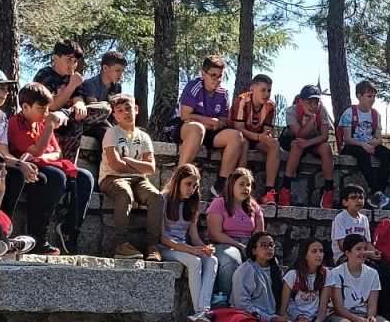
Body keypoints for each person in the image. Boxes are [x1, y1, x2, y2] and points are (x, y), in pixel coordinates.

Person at [8, 82, 91, 254]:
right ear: (25, 107)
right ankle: (38, 236)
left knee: (85, 177)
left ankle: (70, 230)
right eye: (41, 109)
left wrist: (43, 156)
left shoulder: (41, 123)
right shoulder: (16, 123)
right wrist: (50, 126)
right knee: (55, 177)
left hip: (44, 164)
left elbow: (57, 153)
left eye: (47, 108)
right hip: (25, 170)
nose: (46, 113)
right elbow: (35, 151)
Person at [0, 69, 51, 233]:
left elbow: (3, 151)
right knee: (16, 175)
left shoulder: (1, 116)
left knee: (38, 178)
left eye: (7, 89)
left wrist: (20, 164)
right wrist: (19, 165)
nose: (6, 92)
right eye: (1, 88)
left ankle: (30, 233)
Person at [100, 93, 163, 259]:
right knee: (124, 192)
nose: (125, 113)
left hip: (139, 180)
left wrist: (128, 160)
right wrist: (138, 166)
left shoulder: (144, 137)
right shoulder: (112, 133)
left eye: (128, 108)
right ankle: (121, 245)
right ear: (115, 116)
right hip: (112, 178)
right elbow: (115, 165)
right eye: (120, 110)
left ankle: (152, 246)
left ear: (136, 109)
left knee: (156, 197)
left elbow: (151, 168)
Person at [157, 161, 217, 322]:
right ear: (177, 182)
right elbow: (162, 238)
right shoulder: (163, 198)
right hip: (166, 248)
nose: (191, 189)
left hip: (183, 247)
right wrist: (190, 250)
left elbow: (194, 236)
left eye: (195, 185)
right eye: (188, 184)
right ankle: (201, 313)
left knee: (212, 260)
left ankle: (202, 312)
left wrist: (205, 248)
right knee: (194, 261)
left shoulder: (192, 202)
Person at [174, 56, 244, 184]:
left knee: (236, 136)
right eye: (213, 75)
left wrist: (214, 123)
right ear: (203, 74)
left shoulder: (224, 93)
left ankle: (220, 185)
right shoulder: (194, 86)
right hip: (188, 128)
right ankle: (178, 179)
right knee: (198, 129)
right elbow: (185, 115)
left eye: (220, 76)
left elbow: (222, 121)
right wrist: (209, 121)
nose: (217, 80)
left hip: (210, 131)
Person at [206, 167, 265, 298]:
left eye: (248, 185)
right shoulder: (219, 203)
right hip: (224, 243)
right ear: (232, 185)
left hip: (249, 244)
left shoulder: (254, 207)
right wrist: (239, 245)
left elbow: (259, 234)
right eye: (241, 184)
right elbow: (214, 233)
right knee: (232, 259)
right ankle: (225, 297)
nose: (246, 188)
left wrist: (251, 247)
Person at [337, 80, 390, 209]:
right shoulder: (350, 112)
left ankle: (379, 191)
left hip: (369, 144)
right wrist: (363, 145)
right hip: (353, 145)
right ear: (359, 96)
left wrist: (372, 144)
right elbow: (347, 138)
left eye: (374, 96)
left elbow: (378, 138)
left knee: (388, 155)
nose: (372, 99)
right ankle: (376, 190)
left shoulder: (375, 114)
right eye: (369, 96)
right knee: (363, 154)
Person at [32, 40, 94, 160]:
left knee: (104, 108)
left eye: (75, 61)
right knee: (74, 123)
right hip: (50, 120)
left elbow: (78, 97)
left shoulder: (72, 77)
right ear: (56, 58)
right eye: (69, 60)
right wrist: (71, 86)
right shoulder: (44, 75)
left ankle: (70, 167)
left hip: (69, 116)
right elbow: (52, 106)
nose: (72, 64)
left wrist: (80, 104)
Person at [278, 85, 335, 208]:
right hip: (295, 140)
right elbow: (299, 134)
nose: (314, 106)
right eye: (310, 102)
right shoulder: (291, 111)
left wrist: (308, 143)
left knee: (326, 148)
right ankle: (285, 188)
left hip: (313, 141)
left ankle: (329, 190)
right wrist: (312, 119)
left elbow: (325, 136)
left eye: (316, 102)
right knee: (297, 145)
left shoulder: (322, 111)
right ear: (301, 101)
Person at [231, 73, 282, 205]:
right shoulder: (242, 100)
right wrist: (259, 136)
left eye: (269, 90)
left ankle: (269, 192)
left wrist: (266, 138)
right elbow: (239, 128)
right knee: (244, 143)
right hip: (240, 136)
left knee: (274, 144)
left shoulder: (270, 106)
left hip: (258, 138)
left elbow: (267, 131)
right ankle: (239, 188)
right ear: (252, 89)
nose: (266, 94)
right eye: (263, 90)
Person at [78, 51, 127, 148]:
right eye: (117, 70)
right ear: (105, 68)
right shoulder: (90, 84)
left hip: (106, 124)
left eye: (122, 71)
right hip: (90, 124)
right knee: (108, 133)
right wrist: (113, 129)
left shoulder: (117, 87)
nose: (121, 74)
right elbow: (96, 111)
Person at [329, 183, 372, 262]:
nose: (359, 200)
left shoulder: (364, 219)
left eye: (361, 197)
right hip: (344, 255)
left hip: (361, 255)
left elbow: (368, 243)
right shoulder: (340, 218)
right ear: (345, 202)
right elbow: (342, 245)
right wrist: (361, 253)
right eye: (354, 197)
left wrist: (374, 253)